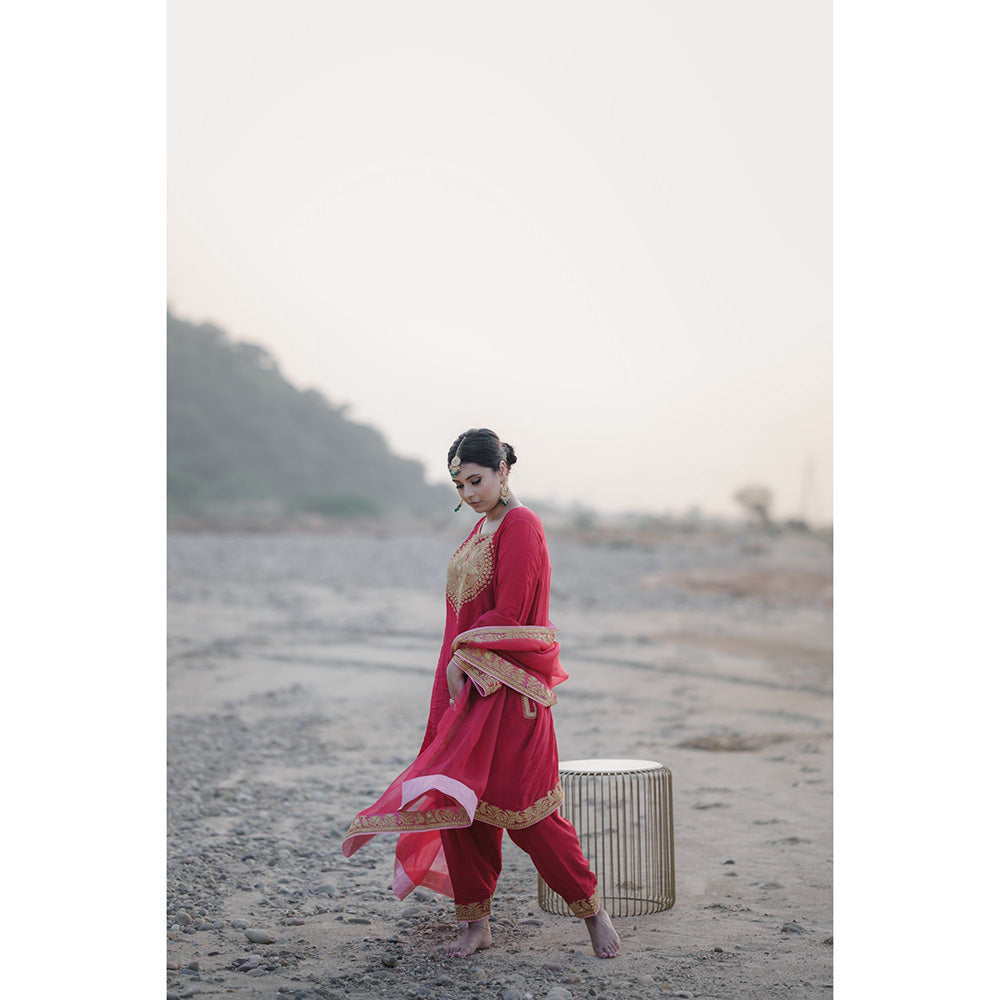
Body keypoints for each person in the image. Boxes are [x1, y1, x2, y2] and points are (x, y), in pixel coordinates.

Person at [343, 428, 620, 959]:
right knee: (458, 804)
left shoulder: (521, 524)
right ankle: (476, 924)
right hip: (464, 687)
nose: (468, 493)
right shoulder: (482, 527)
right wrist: (456, 669)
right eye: (459, 485)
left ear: (502, 471)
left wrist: (463, 657)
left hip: (509, 693)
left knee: (528, 814)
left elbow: (512, 612)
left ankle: (592, 912)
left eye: (475, 480)